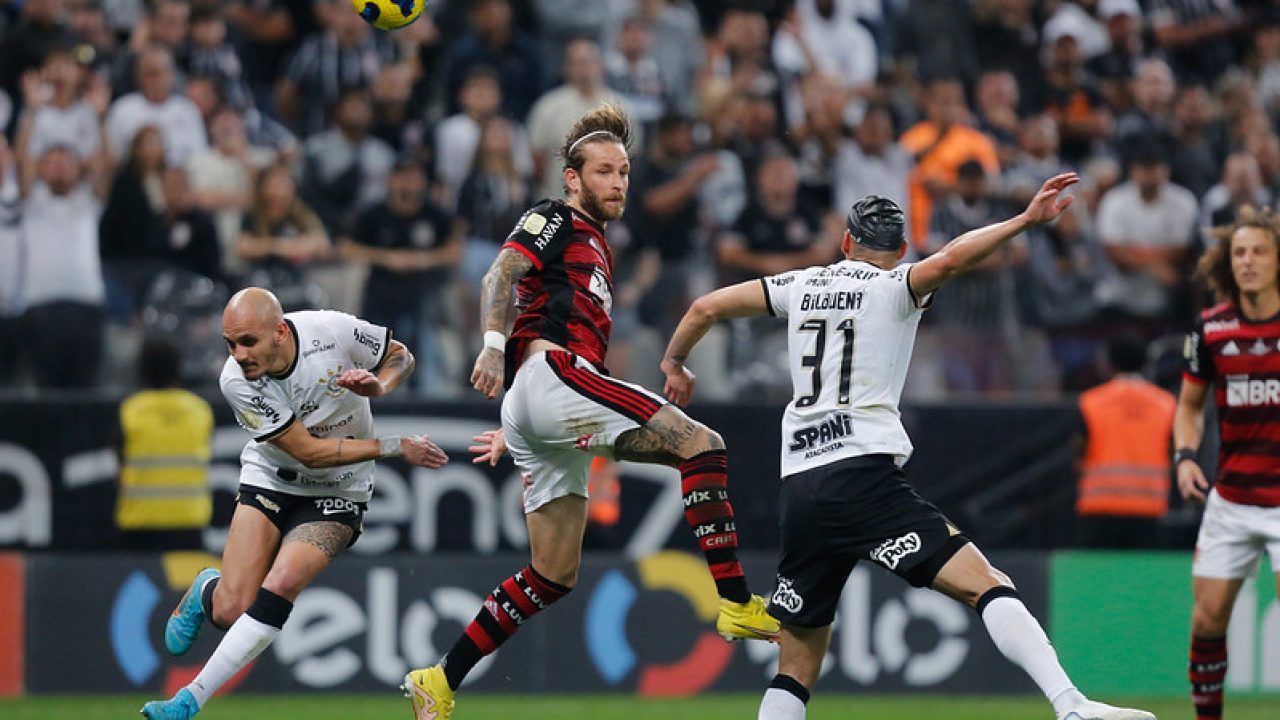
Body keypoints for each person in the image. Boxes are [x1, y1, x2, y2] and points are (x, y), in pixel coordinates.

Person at [659, 175, 1154, 720]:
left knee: (798, 659)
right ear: (899, 252)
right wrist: (1022, 222)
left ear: (845, 242)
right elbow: (951, 260)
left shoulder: (798, 285)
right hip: (862, 478)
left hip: (801, 487)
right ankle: (1070, 705)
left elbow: (705, 306)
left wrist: (676, 363)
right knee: (987, 585)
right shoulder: (897, 287)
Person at [402, 104, 779, 720]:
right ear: (572, 179)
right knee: (702, 446)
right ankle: (736, 601)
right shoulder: (554, 218)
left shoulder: (599, 244)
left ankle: (439, 680)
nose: (618, 183)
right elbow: (501, 274)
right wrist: (495, 348)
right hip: (553, 378)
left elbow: (544, 309)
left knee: (553, 574)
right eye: (604, 171)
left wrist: (519, 422)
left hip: (543, 400)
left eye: (624, 172)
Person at [140, 287, 449, 720]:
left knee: (282, 581)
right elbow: (308, 452)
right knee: (229, 611)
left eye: (248, 341)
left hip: (340, 489)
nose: (238, 354)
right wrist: (396, 446)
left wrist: (381, 384)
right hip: (273, 477)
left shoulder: (331, 330)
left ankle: (189, 700)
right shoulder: (235, 380)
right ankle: (206, 590)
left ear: (280, 333)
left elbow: (400, 354)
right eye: (230, 343)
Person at [1175, 206, 1280, 720]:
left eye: (1260, 251)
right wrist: (1185, 456)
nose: (1248, 261)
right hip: (1232, 498)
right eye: (1239, 252)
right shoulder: (1212, 330)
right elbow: (1190, 407)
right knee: (1209, 619)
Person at [1075, 332, 1176, 548]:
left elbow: (1078, 452)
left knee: (1098, 577)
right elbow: (1174, 451)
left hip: (1099, 509)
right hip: (1149, 508)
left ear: (1109, 363)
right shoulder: (1166, 404)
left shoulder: (1090, 402)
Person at [115, 336, 214, 552]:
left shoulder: (129, 411)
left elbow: (119, 468)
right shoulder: (200, 410)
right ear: (178, 368)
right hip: (189, 524)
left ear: (142, 369)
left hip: (140, 525)